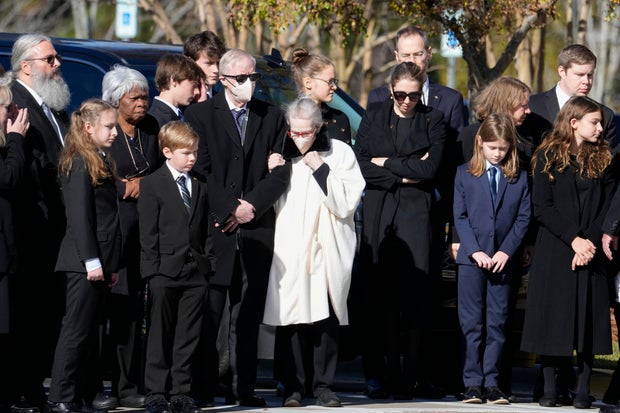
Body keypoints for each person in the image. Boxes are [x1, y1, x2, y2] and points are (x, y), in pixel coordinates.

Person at [184, 48, 291, 407]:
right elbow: (201, 171)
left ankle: (243, 388)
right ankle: (203, 387)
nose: (250, 84)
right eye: (243, 78)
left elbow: (280, 172)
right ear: (226, 80)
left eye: (254, 77)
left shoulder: (271, 115)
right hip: (218, 228)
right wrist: (231, 208)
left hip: (256, 228)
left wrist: (251, 207)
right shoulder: (200, 115)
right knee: (211, 312)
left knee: (247, 315)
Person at [262, 97, 364, 407]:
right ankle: (292, 385)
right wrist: (271, 172)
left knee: (325, 318)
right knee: (291, 317)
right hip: (290, 246)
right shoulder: (282, 154)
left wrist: (321, 168)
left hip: (327, 246)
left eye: (305, 133)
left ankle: (323, 386)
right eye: (294, 132)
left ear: (318, 128)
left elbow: (347, 202)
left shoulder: (340, 153)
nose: (299, 138)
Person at [353, 61, 446, 399]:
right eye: (401, 94)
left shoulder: (433, 119)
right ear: (390, 90)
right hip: (380, 213)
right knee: (384, 296)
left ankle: (412, 374)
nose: (407, 101)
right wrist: (406, 170)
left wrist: (385, 163)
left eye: (414, 95)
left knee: (416, 296)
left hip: (416, 215)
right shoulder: (375, 114)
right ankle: (388, 372)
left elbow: (431, 168)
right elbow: (360, 164)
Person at [520, 96, 614, 409]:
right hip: (557, 247)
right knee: (553, 317)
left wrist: (588, 241)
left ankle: (583, 388)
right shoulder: (547, 154)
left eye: (600, 122)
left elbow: (608, 203)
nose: (600, 128)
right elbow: (542, 207)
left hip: (592, 247)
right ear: (574, 123)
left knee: (587, 318)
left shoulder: (603, 157)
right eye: (594, 122)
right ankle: (550, 388)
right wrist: (573, 239)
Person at [46, 98, 122, 413]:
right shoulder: (79, 161)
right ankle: (60, 396)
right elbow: (80, 218)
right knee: (75, 329)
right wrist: (92, 261)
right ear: (89, 128)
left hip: (101, 261)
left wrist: (110, 264)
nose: (115, 132)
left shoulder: (99, 158)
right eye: (109, 126)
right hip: (83, 262)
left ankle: (81, 393)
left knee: (90, 331)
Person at [9, 33, 71, 413]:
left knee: (47, 311)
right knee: (27, 312)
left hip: (56, 227)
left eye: (56, 57)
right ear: (26, 66)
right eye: (50, 59)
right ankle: (22, 388)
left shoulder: (54, 106)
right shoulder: (14, 105)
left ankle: (35, 385)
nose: (57, 63)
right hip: (30, 226)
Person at [453, 113, 530, 405]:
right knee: (472, 324)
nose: (497, 154)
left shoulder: (519, 177)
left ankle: (493, 382)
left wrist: (505, 251)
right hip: (473, 262)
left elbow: (523, 218)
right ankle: (472, 383)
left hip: (502, 262)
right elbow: (459, 216)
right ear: (480, 143)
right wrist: (475, 251)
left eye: (503, 148)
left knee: (497, 323)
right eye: (492, 148)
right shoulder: (464, 173)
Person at [138, 121, 211, 413]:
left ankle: (182, 391)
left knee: (187, 335)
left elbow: (205, 227)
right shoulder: (153, 184)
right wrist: (152, 273)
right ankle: (156, 391)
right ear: (167, 152)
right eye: (185, 153)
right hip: (164, 272)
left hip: (195, 273)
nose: (192, 158)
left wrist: (209, 263)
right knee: (159, 334)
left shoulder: (199, 184)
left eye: (194, 152)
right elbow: (148, 233)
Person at [101, 65, 162, 409]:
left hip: (145, 230)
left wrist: (145, 185)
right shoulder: (104, 129)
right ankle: (98, 385)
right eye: (134, 97)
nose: (142, 103)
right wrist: (125, 185)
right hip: (114, 231)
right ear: (115, 100)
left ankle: (128, 386)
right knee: (110, 312)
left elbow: (160, 170)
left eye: (144, 96)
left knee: (134, 313)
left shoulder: (151, 128)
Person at [366, 25, 465, 140]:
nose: (412, 61)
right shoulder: (378, 98)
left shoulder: (451, 100)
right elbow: (369, 147)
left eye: (418, 54)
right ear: (397, 56)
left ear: (429, 53)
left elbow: (457, 152)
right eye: (406, 55)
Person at [0, 77, 29, 413]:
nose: (13, 114)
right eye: (8, 108)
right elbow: (7, 177)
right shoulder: (9, 141)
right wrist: (15, 140)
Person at [524, 44, 616, 148]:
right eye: (579, 75)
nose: (586, 81)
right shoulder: (532, 106)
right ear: (562, 72)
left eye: (590, 75)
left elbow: (608, 159)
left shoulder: (606, 115)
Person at [291, 48, 352, 145]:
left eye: (334, 81)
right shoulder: (288, 120)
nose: (335, 87)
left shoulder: (340, 119)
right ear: (308, 83)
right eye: (330, 81)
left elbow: (348, 158)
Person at [148, 54, 203, 127]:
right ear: (174, 81)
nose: (197, 92)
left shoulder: (183, 115)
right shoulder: (155, 121)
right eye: (194, 85)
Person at [183, 30, 226, 102]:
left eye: (218, 63)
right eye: (208, 63)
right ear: (191, 62)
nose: (216, 70)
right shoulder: (181, 102)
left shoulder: (224, 100)